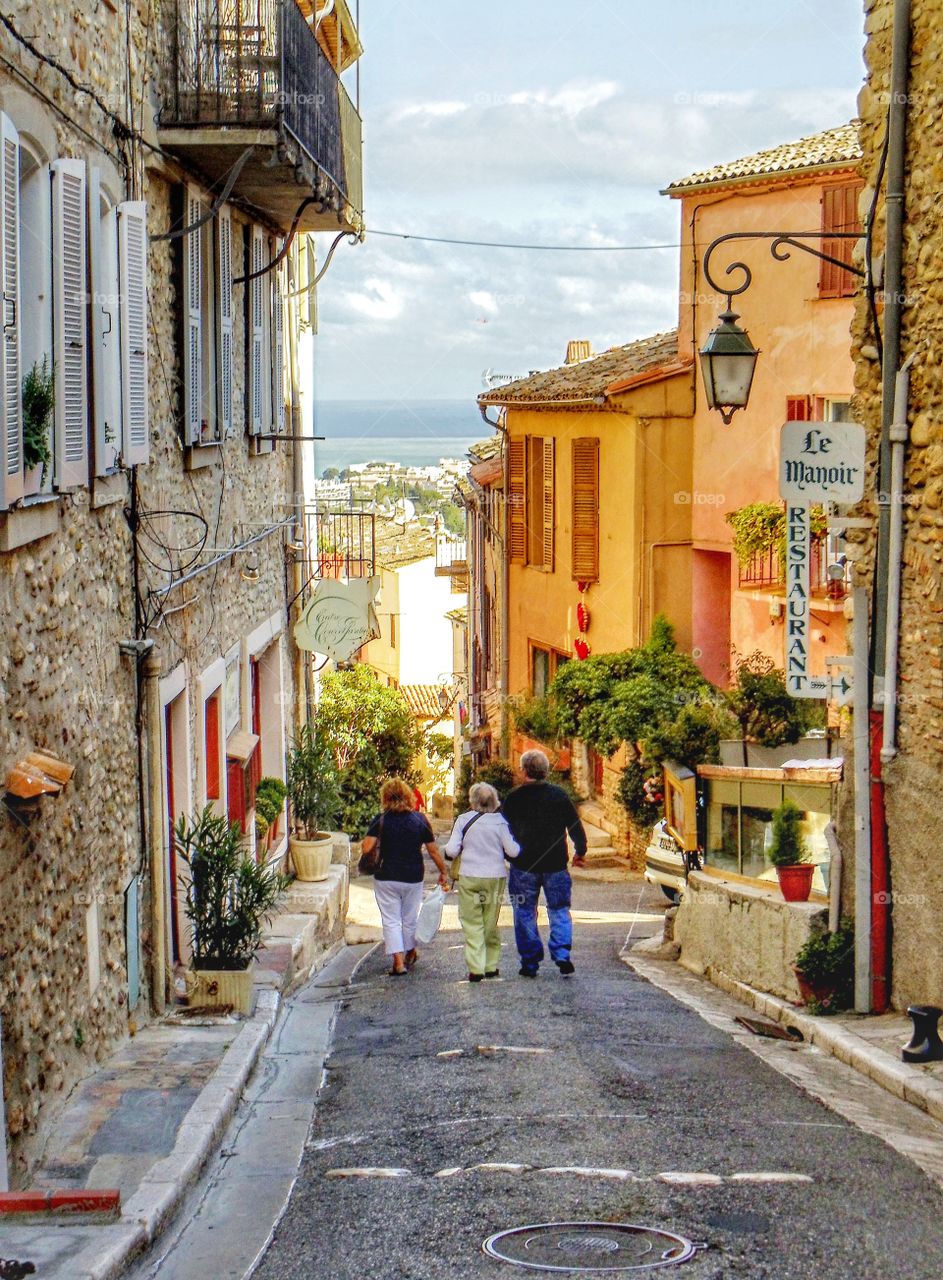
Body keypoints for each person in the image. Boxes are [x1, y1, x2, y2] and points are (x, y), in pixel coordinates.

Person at [501, 749, 587, 978]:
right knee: (559, 909)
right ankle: (561, 954)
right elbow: (575, 826)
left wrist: (504, 855)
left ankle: (530, 962)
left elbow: (502, 829)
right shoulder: (559, 795)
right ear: (545, 771)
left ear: (524, 769)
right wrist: (580, 851)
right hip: (556, 864)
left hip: (523, 866)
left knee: (524, 912)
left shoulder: (514, 798)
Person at [362, 778, 449, 977]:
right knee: (409, 919)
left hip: (386, 876)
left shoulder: (381, 819)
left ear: (385, 797)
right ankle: (410, 952)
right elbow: (433, 851)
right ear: (408, 796)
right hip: (413, 876)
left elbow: (367, 847)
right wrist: (443, 871)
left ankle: (399, 963)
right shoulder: (419, 820)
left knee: (391, 920)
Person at [445, 782, 520, 983]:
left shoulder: (463, 820)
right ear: (494, 801)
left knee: (471, 922)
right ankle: (491, 965)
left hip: (469, 875)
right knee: (490, 921)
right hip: (494, 876)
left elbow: (451, 851)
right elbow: (512, 851)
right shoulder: (500, 822)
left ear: (472, 800)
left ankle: (476, 967)